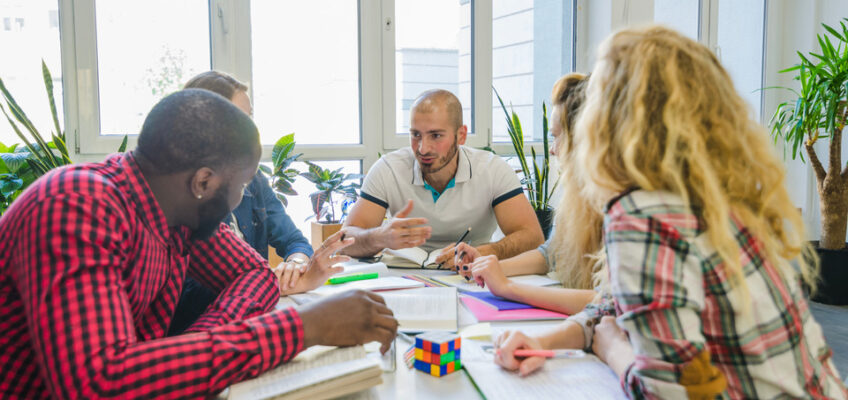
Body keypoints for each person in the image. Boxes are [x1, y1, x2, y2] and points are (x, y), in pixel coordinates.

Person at [494, 26, 847, 399]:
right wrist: (542, 341)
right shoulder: (713, 196)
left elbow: (665, 394)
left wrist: (612, 349)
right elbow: (611, 306)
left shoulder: (641, 214)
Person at [0, 89, 397, 398]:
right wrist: (303, 327)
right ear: (203, 182)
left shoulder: (177, 213)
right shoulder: (78, 205)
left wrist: (195, 352)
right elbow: (101, 384)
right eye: (241, 185)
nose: (242, 198)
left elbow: (254, 274)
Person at [169, 71, 313, 335]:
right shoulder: (183, 198)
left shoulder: (252, 179)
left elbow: (294, 241)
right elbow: (198, 295)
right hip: (202, 331)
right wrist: (276, 282)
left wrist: (295, 263)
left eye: (249, 120)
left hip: (246, 318)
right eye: (239, 121)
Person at [342, 89, 544, 269]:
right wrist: (380, 237)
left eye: (436, 135)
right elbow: (345, 239)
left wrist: (485, 252)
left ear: (461, 135)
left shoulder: (493, 169)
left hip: (472, 275)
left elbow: (533, 237)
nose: (423, 148)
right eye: (415, 135)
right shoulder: (388, 169)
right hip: (403, 277)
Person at [453, 72, 599, 315]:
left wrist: (508, 287)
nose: (552, 150)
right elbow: (550, 255)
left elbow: (610, 304)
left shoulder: (621, 206)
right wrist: (489, 265)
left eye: (557, 136)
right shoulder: (576, 199)